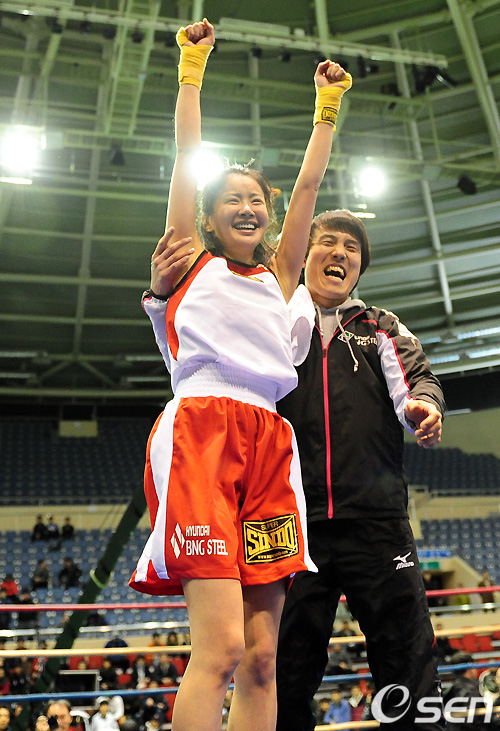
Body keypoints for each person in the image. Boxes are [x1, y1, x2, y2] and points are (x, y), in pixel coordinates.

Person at [128, 16, 352, 731]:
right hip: (201, 432)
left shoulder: (282, 274)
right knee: (220, 647)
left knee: (261, 658)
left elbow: (310, 184)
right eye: (233, 199)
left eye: (257, 199)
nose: (249, 207)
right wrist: (192, 67)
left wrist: (327, 107)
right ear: (210, 215)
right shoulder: (187, 258)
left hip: (270, 447)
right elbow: (186, 154)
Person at [275, 208, 447, 730]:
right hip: (287, 522)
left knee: (408, 662)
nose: (340, 253)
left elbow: (417, 378)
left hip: (376, 522)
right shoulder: (273, 323)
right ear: (303, 254)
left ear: (359, 269)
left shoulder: (381, 327)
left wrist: (423, 405)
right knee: (281, 668)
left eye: (352, 248)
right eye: (328, 241)